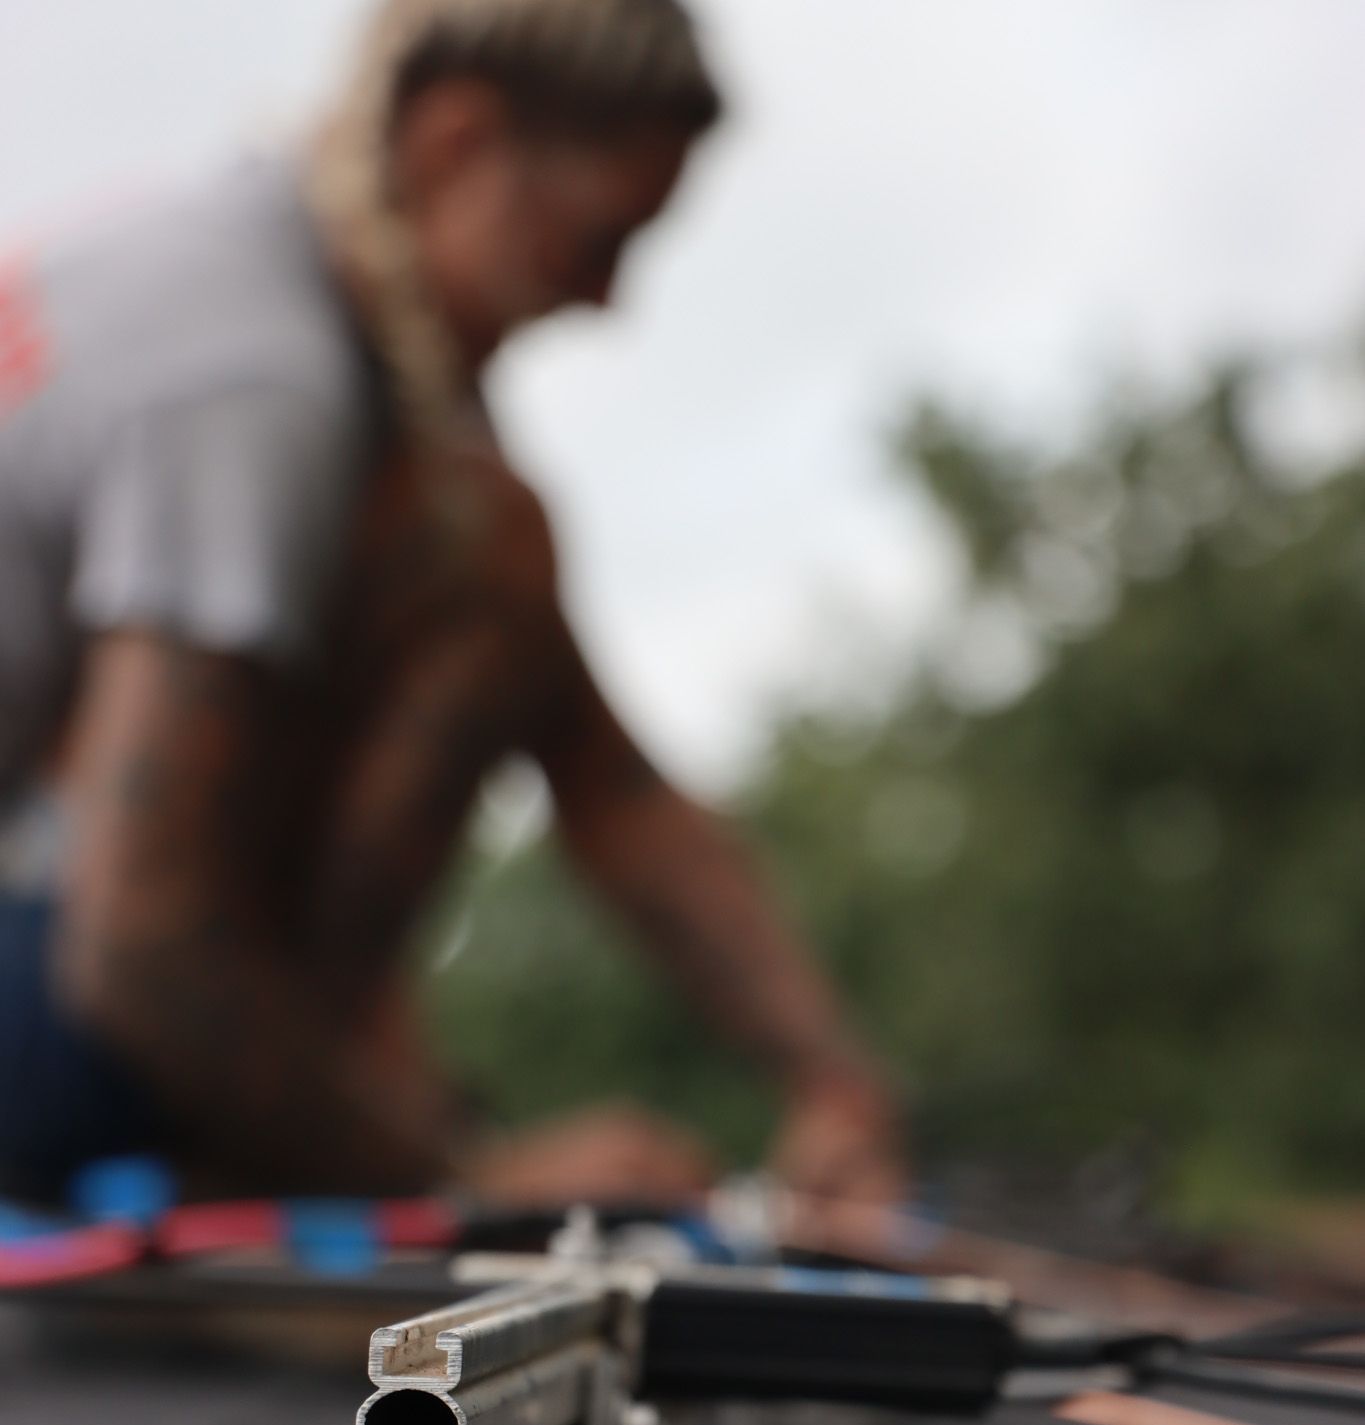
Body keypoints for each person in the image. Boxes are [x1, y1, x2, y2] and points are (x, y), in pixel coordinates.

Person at [0, 0, 906, 1210]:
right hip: (57, 991)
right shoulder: (257, 381)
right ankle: (259, 1182)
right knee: (488, 560)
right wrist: (465, 1182)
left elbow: (608, 784)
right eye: (595, 241)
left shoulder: (276, 273)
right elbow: (139, 949)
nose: (603, 299)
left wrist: (836, 1080)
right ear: (455, 144)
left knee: (483, 542)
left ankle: (294, 1146)